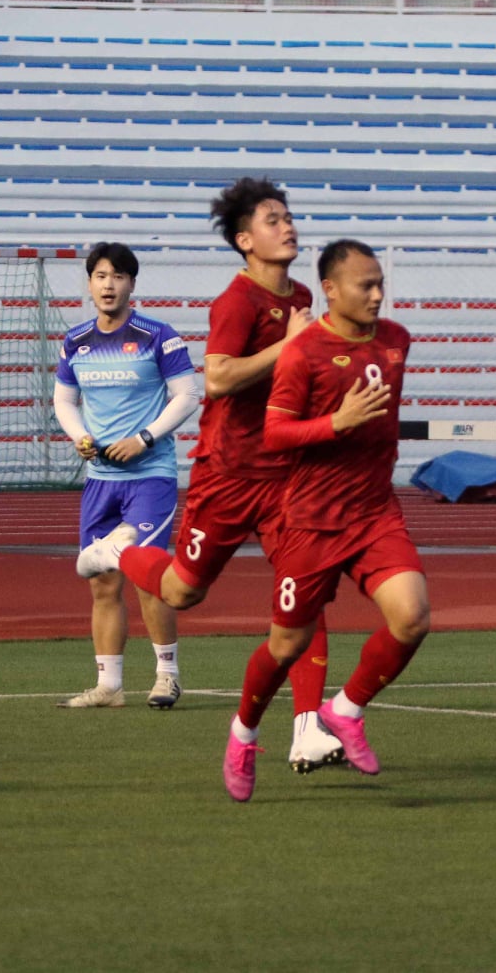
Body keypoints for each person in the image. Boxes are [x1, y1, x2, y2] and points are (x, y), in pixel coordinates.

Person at [82, 178, 343, 770]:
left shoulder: (300, 294)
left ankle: (307, 729)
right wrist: (293, 345)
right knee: (181, 590)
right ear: (245, 239)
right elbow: (220, 378)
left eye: (289, 215)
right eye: (273, 219)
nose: (288, 225)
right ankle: (119, 551)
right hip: (227, 472)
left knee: (306, 591)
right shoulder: (235, 302)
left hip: (284, 474)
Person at [219, 239, 429, 802]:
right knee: (285, 646)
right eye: (366, 285)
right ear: (331, 290)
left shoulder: (396, 341)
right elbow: (275, 434)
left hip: (375, 512)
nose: (378, 295)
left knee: (412, 617)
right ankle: (243, 734)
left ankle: (345, 710)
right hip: (310, 521)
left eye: (382, 282)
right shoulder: (302, 353)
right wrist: (336, 422)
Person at [58, 243, 199, 708]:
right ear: (89, 282)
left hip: (149, 478)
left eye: (118, 276)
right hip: (100, 480)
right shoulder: (75, 340)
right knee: (102, 583)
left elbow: (186, 396)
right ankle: (109, 686)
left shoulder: (159, 335)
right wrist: (79, 436)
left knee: (148, 575)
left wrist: (144, 437)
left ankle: (167, 675)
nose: (108, 284)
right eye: (100, 275)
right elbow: (64, 400)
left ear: (132, 284)